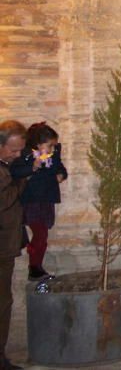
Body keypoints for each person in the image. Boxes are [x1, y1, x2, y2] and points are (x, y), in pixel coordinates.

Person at [15, 123, 67, 281]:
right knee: (40, 234)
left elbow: (61, 168)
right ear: (38, 143)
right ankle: (34, 267)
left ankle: (36, 267)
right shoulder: (25, 154)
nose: (52, 149)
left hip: (46, 199)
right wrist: (32, 167)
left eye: (54, 145)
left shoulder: (54, 154)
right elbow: (15, 171)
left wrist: (61, 175)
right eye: (50, 145)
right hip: (32, 200)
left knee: (42, 235)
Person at [0, 121, 28, 370]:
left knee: (4, 301)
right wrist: (23, 182)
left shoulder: (6, 166)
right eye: (13, 149)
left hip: (5, 246)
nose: (16, 155)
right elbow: (4, 200)